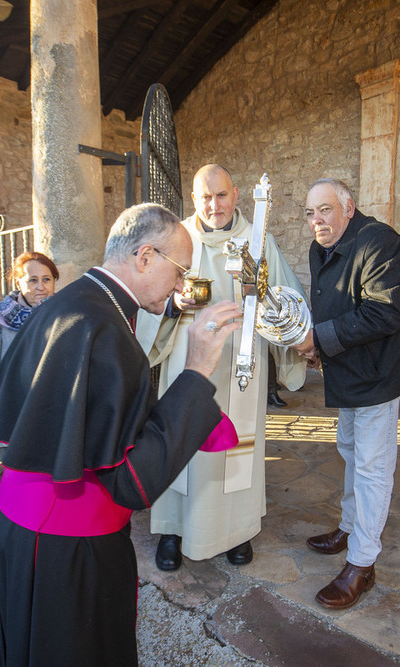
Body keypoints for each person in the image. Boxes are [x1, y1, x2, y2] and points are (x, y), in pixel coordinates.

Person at [0, 202, 243, 666]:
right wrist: (198, 369)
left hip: (18, 524)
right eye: (179, 270)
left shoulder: (73, 301)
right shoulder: (104, 327)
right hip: (65, 545)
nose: (183, 285)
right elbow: (132, 480)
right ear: (145, 257)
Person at [138, 164, 306, 572]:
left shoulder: (258, 240)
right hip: (187, 362)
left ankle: (237, 530)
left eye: (222, 195)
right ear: (193, 200)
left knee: (238, 448)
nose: (214, 205)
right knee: (182, 443)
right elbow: (149, 297)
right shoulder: (177, 241)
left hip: (239, 367)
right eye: (204, 197)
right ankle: (173, 530)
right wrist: (172, 305)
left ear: (236, 193)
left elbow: (286, 301)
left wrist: (273, 311)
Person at [292, 178, 400, 610]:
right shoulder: (319, 248)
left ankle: (362, 564)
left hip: (378, 374)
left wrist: (319, 339)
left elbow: (384, 312)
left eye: (324, 210)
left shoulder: (381, 242)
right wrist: (318, 349)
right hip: (347, 368)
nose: (316, 221)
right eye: (309, 213)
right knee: (348, 450)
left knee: (371, 466)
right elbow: (330, 303)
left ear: (348, 206)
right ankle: (349, 527)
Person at [0, 250, 59, 388]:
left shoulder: (65, 312)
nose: (41, 287)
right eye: (33, 280)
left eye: (46, 279)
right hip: (13, 399)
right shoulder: (0, 315)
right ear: (18, 283)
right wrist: (9, 396)